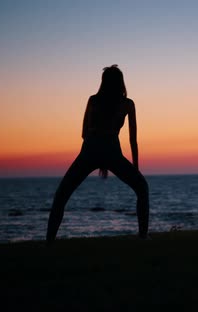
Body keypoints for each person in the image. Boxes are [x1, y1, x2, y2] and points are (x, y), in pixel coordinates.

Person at [46, 65, 149, 246]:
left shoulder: (94, 100)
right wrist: (135, 168)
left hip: (91, 149)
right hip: (109, 150)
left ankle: (49, 242)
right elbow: (133, 141)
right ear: (121, 82)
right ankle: (143, 237)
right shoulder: (127, 104)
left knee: (61, 195)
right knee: (142, 187)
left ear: (103, 82)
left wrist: (98, 157)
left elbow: (84, 133)